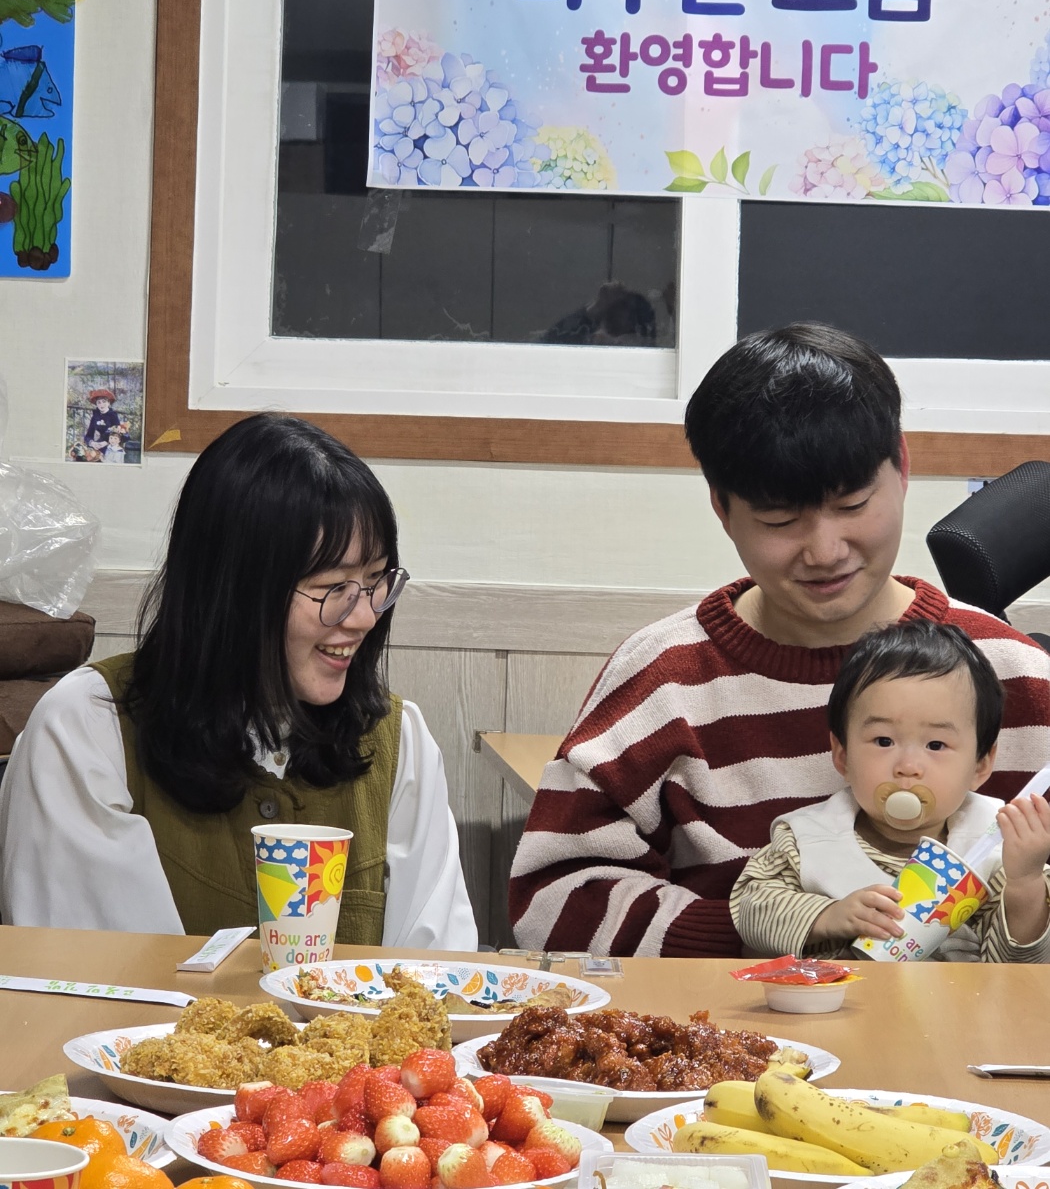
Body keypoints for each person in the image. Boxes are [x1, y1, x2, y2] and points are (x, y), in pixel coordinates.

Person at [509, 323, 1050, 958]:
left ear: (902, 467)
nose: (825, 550)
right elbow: (552, 900)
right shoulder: (667, 679)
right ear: (722, 508)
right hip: (726, 1017)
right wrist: (767, 936)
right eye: (780, 519)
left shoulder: (1015, 676)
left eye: (853, 505)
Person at [0, 413, 479, 949]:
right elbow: (99, 975)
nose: (365, 617)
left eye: (375, 581)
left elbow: (434, 970)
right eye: (332, 588)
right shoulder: (88, 728)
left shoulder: (397, 738)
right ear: (233, 592)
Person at [731, 620, 1050, 962]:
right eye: (883, 741)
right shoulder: (807, 839)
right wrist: (827, 916)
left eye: (936, 744)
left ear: (980, 765)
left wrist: (1025, 883)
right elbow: (749, 909)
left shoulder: (999, 847)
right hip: (835, 995)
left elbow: (1020, 967)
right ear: (843, 755)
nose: (908, 766)